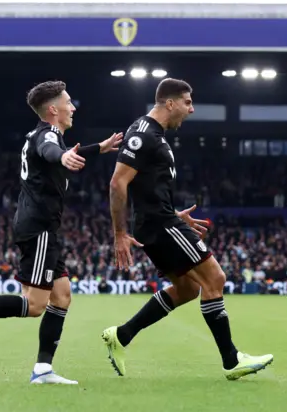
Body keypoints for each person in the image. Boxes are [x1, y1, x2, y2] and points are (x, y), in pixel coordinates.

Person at [0, 80, 122, 384]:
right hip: (39, 226)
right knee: (34, 305)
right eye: (69, 102)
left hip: (42, 227)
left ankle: (43, 369)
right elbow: (51, 152)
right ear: (53, 109)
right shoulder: (47, 137)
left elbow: (58, 152)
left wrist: (99, 148)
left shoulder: (42, 135)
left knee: (62, 296)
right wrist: (63, 157)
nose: (73, 108)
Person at [102, 78, 273, 380]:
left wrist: (176, 215)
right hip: (158, 224)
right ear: (170, 103)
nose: (191, 110)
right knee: (215, 279)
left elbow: (147, 186)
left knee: (188, 289)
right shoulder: (144, 134)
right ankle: (232, 361)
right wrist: (119, 233)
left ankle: (123, 335)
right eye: (188, 102)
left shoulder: (155, 135)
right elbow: (118, 182)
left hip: (162, 220)